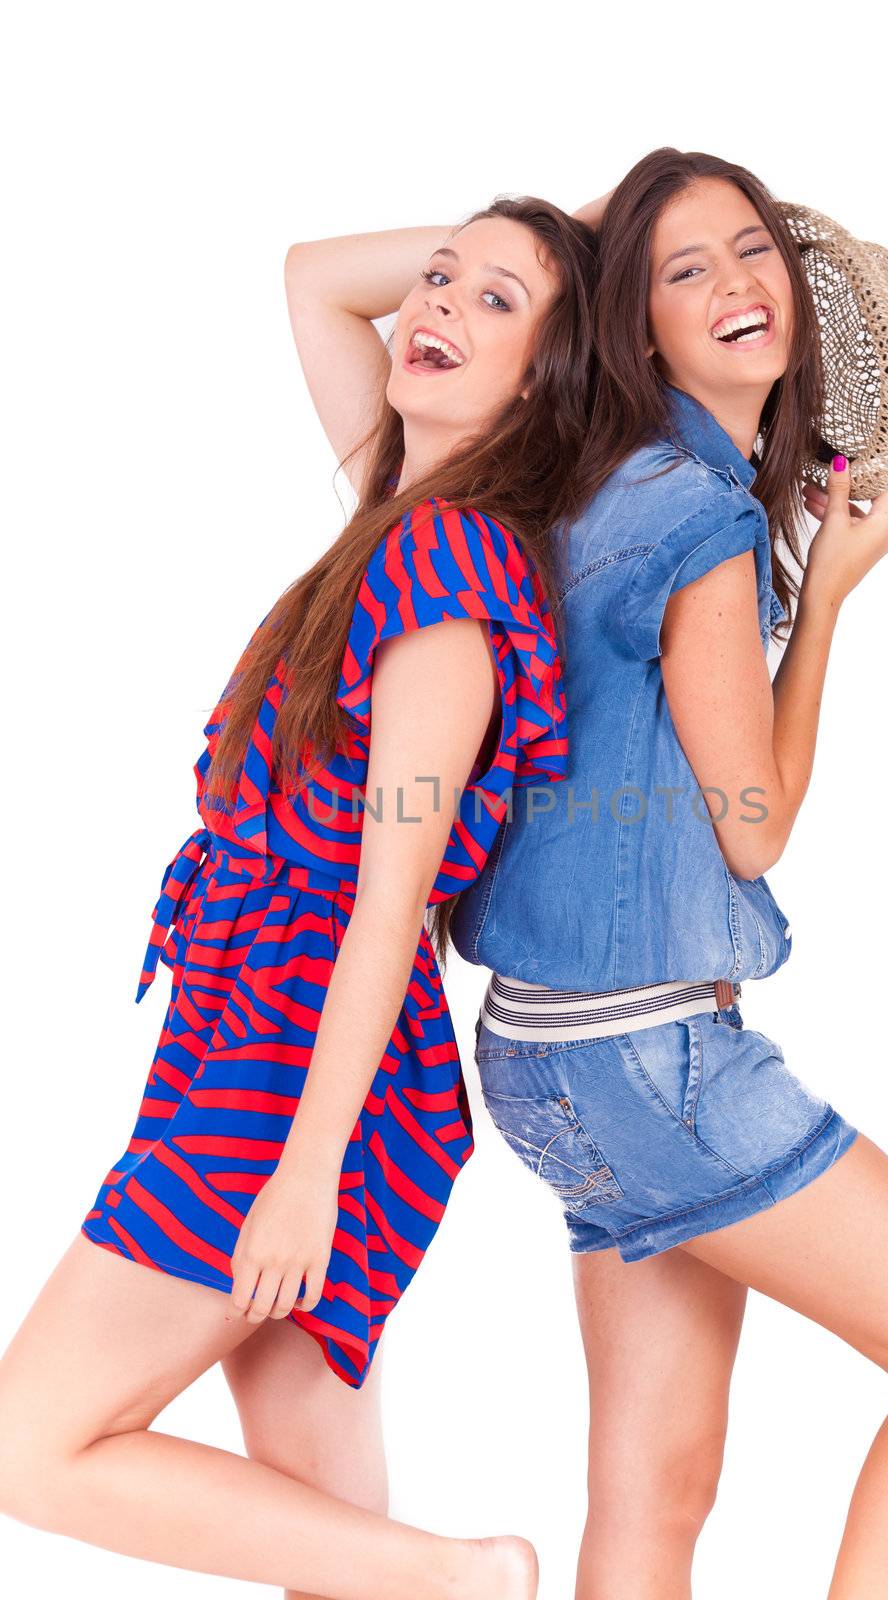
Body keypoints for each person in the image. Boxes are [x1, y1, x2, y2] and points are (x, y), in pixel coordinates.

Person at [452, 149, 888, 1599]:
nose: (736, 286)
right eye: (681, 269)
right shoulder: (695, 512)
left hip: (542, 1057)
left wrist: (621, 243)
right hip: (647, 1051)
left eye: (752, 253)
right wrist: (831, 599)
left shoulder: (574, 476)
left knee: (654, 1493)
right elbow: (754, 823)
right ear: (628, 321)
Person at [0, 196, 595, 1600]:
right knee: (330, 1542)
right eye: (441, 279)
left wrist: (307, 1177)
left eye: (494, 305)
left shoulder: (451, 581)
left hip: (291, 1077)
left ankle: (473, 1579)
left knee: (29, 1446)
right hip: (250, 1037)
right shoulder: (399, 512)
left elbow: (389, 902)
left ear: (549, 386)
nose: (436, 304)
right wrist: (541, 232)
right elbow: (317, 278)